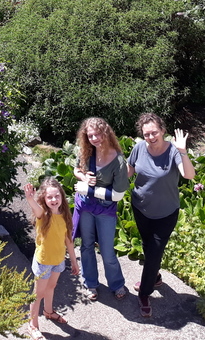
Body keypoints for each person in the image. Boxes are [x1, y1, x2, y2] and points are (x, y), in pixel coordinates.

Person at [126, 112, 196, 318]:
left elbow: (189, 175)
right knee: (148, 247)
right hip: (141, 208)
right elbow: (129, 171)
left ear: (163, 131)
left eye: (154, 132)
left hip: (166, 213)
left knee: (154, 252)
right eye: (146, 134)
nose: (150, 137)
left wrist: (183, 151)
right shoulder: (139, 148)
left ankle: (145, 294)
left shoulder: (174, 151)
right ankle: (155, 276)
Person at [72, 117, 129, 302]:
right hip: (86, 207)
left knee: (107, 250)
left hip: (105, 210)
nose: (94, 138)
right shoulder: (86, 152)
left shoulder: (118, 160)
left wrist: (89, 189)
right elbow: (76, 170)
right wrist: (83, 177)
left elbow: (118, 195)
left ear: (106, 133)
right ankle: (90, 283)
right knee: (86, 246)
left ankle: (117, 284)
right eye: (90, 136)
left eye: (98, 134)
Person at [23, 177, 79, 339]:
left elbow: (68, 240)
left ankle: (49, 312)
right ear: (44, 199)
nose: (54, 200)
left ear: (62, 196)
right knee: (38, 293)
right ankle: (33, 325)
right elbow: (36, 208)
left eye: (57, 196)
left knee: (51, 287)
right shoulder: (43, 215)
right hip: (44, 262)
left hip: (59, 260)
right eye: (49, 197)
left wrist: (74, 261)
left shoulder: (65, 215)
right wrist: (29, 198)